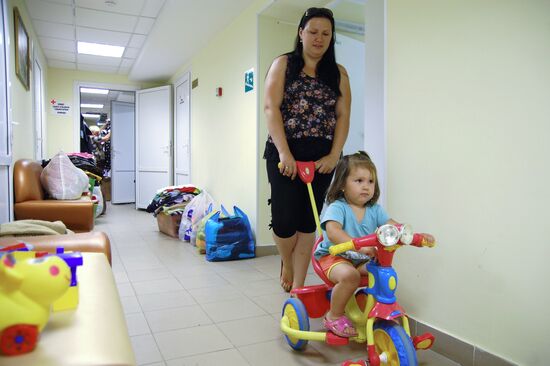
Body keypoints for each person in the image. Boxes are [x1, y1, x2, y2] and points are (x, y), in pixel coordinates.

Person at [263, 7, 352, 292]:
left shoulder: (338, 74)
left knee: (307, 223)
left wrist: (334, 155)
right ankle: (286, 263)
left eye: (326, 34)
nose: (319, 38)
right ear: (301, 32)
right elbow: (270, 108)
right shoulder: (284, 64)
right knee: (285, 220)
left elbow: (343, 116)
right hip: (284, 154)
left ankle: (298, 288)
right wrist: (286, 154)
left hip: (322, 158)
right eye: (313, 31)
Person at [314, 151, 435, 337]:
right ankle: (333, 316)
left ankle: (371, 308)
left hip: (360, 259)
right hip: (333, 256)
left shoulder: (374, 210)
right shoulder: (338, 207)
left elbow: (393, 226)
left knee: (380, 272)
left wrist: (414, 237)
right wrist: (357, 245)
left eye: (370, 181)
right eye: (359, 181)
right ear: (343, 185)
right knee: (350, 276)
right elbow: (333, 231)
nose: (366, 187)